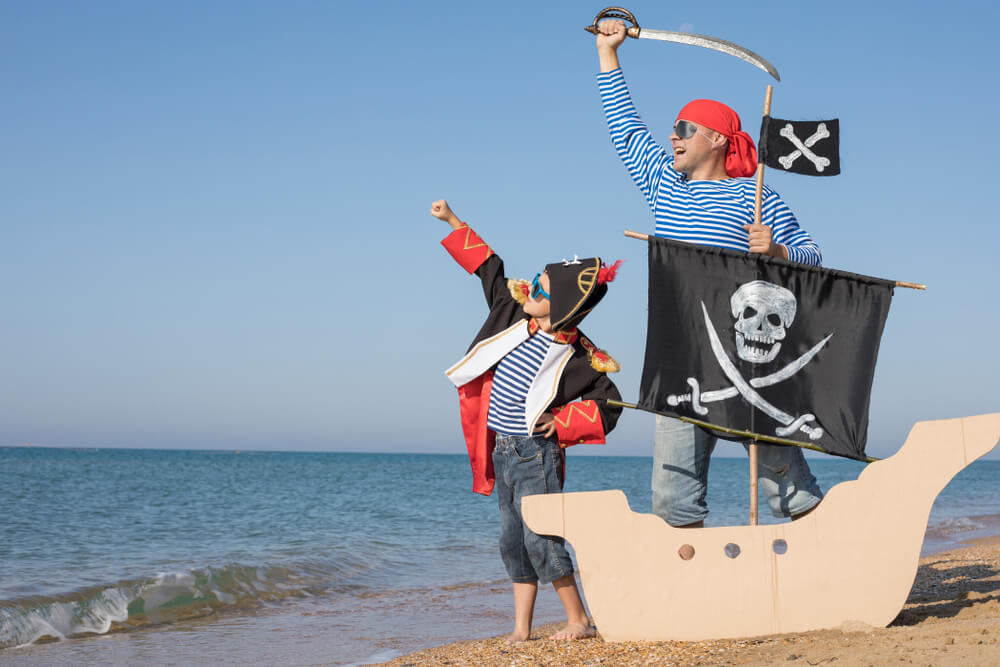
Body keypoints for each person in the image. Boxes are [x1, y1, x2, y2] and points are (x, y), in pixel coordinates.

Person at [594, 20, 824, 528]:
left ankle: (815, 557)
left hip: (750, 356)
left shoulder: (756, 196)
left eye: (683, 129)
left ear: (716, 139)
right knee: (672, 494)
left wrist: (781, 250)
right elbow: (624, 127)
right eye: (673, 129)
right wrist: (608, 54)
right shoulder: (662, 185)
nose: (671, 137)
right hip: (680, 356)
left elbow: (814, 256)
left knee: (786, 485)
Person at [429, 198, 623, 642]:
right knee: (511, 541)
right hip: (503, 448)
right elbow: (489, 267)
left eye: (541, 289)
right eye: (535, 282)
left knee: (543, 537)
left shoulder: (582, 356)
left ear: (567, 307)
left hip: (536, 452)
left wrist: (565, 425)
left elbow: (609, 404)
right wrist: (453, 221)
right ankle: (521, 628)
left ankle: (578, 620)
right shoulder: (510, 313)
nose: (529, 289)